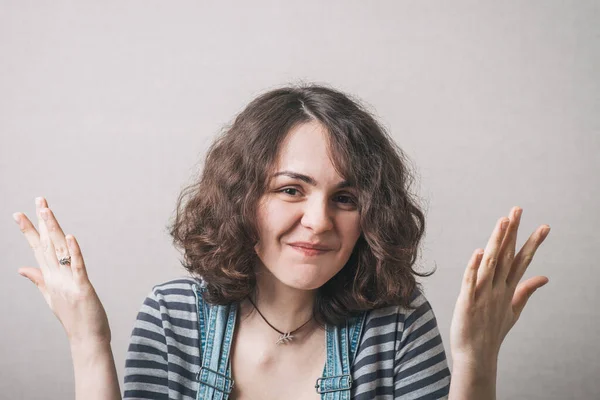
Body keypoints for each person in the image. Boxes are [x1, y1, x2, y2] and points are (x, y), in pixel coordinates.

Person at [13, 83, 551, 400]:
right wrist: (88, 344)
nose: (318, 221)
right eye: (291, 189)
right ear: (241, 198)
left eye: (346, 198)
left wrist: (476, 360)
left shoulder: (399, 324)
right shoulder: (172, 315)